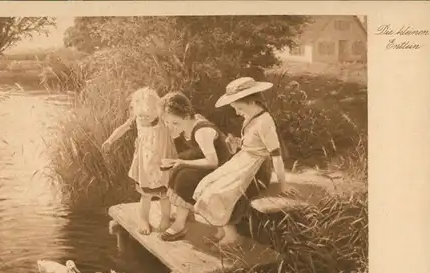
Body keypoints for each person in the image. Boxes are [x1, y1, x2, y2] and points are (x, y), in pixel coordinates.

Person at [193, 76, 293, 246]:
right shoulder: (251, 117)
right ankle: (221, 229)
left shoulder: (265, 121)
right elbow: (253, 143)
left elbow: (275, 155)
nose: (237, 112)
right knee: (206, 183)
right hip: (243, 161)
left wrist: (282, 184)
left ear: (252, 101)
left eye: (239, 107)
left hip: (258, 169)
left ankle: (232, 236)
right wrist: (237, 143)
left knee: (220, 192)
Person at [102, 87, 177, 235]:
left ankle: (165, 218)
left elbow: (176, 131)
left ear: (157, 110)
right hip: (145, 164)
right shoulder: (136, 120)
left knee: (165, 194)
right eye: (140, 115)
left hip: (162, 161)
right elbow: (122, 128)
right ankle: (143, 219)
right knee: (146, 195)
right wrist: (110, 140)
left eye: (146, 116)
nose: (142, 119)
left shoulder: (163, 120)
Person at [159, 92, 232, 241]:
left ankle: (180, 224)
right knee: (179, 167)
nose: (170, 128)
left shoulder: (201, 131)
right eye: (167, 123)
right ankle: (185, 212)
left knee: (185, 177)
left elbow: (213, 162)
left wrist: (182, 162)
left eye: (175, 123)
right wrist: (177, 161)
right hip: (211, 164)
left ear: (186, 117)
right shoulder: (190, 123)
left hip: (222, 168)